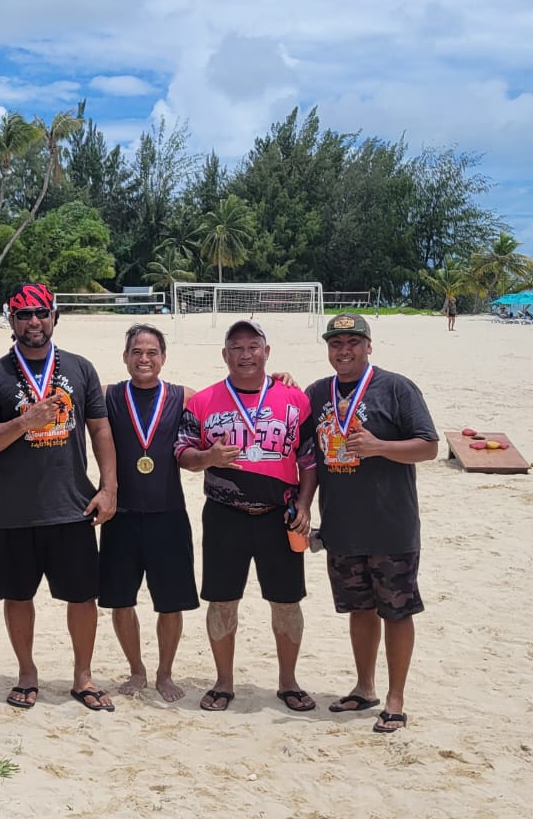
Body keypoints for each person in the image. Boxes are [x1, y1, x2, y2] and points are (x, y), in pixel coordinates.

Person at [0, 282, 118, 712]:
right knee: (18, 596)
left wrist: (109, 488)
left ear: (54, 316)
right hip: (17, 509)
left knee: (82, 597)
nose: (34, 322)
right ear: (10, 321)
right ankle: (27, 674)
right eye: (23, 315)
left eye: (41, 313)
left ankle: (83, 676)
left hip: (72, 505)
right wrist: (24, 422)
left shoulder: (80, 368)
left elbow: (100, 429)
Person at [296, 313, 438, 733]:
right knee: (359, 610)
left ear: (368, 346)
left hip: (391, 525)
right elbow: (307, 455)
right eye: (336, 343)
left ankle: (395, 699)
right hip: (341, 526)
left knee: (396, 611)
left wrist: (379, 447)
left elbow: (428, 447)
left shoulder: (396, 388)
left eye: (352, 342)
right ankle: (364, 687)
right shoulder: (317, 392)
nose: (344, 350)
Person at [176, 320, 317, 714]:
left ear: (266, 352)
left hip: (280, 516)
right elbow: (182, 453)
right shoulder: (203, 401)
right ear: (225, 355)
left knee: (286, 603)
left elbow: (309, 458)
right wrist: (207, 458)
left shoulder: (294, 399)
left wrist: (304, 505)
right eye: (236, 347)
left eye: (253, 346)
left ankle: (288, 682)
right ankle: (223, 682)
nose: (245, 354)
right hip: (224, 514)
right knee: (222, 602)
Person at [99, 324, 197, 702]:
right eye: (136, 352)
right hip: (120, 515)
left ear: (163, 358)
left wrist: (277, 379)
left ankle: (164, 672)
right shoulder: (107, 396)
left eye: (152, 352)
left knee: (170, 602)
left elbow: (228, 402)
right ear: (125, 357)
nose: (144, 359)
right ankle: (137, 669)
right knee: (121, 600)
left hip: (168, 513)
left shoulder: (183, 396)